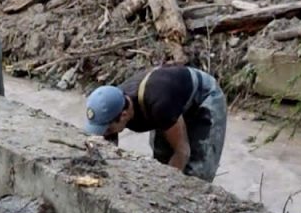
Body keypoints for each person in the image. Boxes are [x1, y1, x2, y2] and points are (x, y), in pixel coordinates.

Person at [84, 65, 227, 182]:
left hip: (203, 97)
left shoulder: (160, 105)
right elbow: (105, 151)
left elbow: (182, 152)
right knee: (161, 163)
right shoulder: (113, 104)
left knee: (196, 174)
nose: (106, 133)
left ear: (123, 115)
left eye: (108, 130)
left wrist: (166, 188)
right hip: (169, 102)